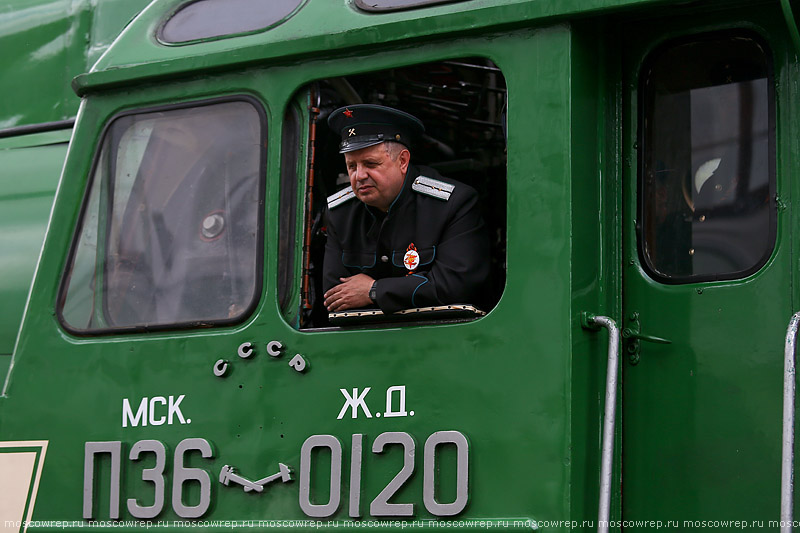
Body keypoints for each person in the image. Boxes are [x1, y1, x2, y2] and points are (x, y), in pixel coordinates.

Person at [322, 104, 490, 314]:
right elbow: (335, 296)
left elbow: (456, 285)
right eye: (352, 166)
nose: (359, 175)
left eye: (371, 164)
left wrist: (374, 291)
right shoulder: (340, 213)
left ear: (402, 161)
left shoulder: (453, 204)